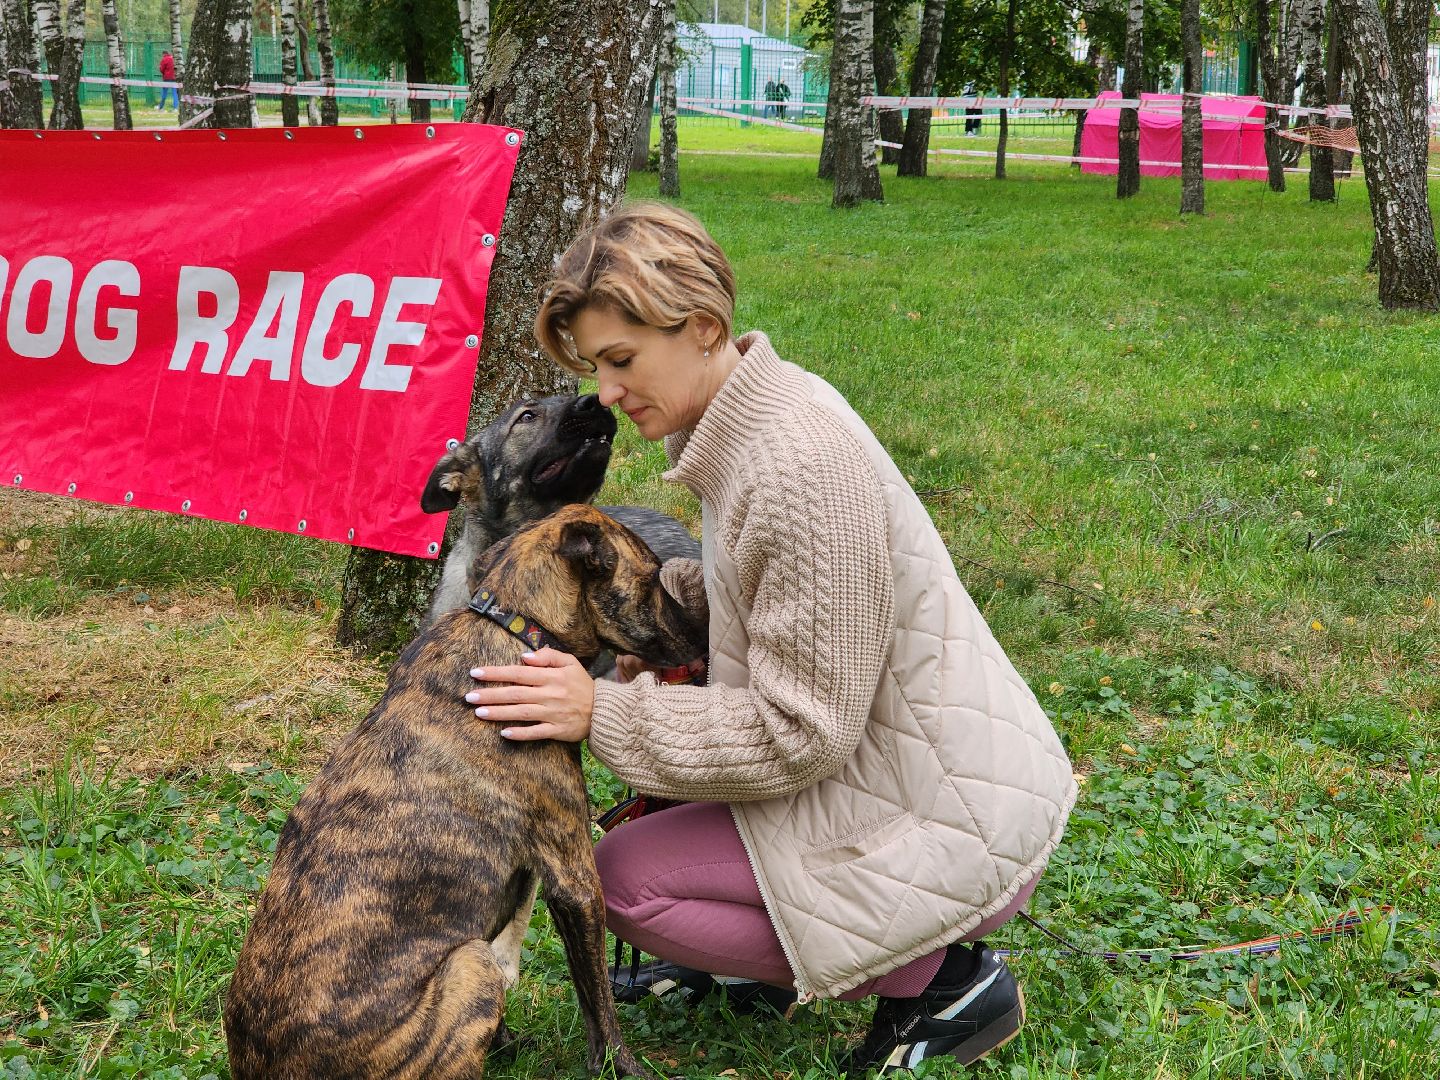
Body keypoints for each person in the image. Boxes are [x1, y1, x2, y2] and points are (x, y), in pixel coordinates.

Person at [464, 204, 1076, 1076]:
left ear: (704, 329)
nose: (604, 392)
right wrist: (657, 619)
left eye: (621, 361)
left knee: (625, 884)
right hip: (916, 777)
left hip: (954, 824)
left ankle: (944, 979)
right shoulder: (750, 417)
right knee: (660, 832)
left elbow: (803, 732)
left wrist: (598, 710)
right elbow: (760, 589)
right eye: (598, 366)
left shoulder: (795, 469)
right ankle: (773, 963)